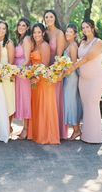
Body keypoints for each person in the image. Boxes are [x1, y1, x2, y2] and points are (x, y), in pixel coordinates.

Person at [65, 19, 102, 144]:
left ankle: (95, 137)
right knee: (86, 106)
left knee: (92, 104)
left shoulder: (98, 42)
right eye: (83, 28)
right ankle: (85, 135)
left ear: (93, 28)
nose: (85, 29)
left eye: (87, 27)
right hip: (83, 80)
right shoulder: (82, 42)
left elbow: (88, 57)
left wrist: (73, 67)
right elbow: (75, 54)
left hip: (96, 78)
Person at [28, 23, 60, 144]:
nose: (36, 34)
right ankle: (37, 134)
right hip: (35, 79)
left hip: (44, 81)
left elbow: (45, 65)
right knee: (37, 106)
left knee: (45, 107)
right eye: (34, 32)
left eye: (38, 32)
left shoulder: (45, 45)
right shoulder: (34, 46)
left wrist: (36, 77)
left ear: (43, 33)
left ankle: (47, 135)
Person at [44, 9, 68, 140]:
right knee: (46, 102)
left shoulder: (59, 33)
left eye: (51, 16)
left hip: (55, 72)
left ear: (55, 18)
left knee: (55, 100)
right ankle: (47, 129)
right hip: (43, 72)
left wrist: (53, 72)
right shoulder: (44, 33)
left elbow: (59, 55)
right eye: (46, 17)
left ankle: (57, 132)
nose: (48, 19)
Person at [0, 20, 15, 133]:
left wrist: (4, 73)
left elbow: (11, 63)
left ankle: (8, 128)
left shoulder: (9, 43)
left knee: (8, 102)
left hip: (6, 77)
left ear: (6, 31)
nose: (1, 30)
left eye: (3, 28)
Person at [63, 23, 82, 140]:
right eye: (67, 31)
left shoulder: (73, 46)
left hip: (71, 77)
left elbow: (74, 64)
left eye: (70, 32)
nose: (67, 33)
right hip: (68, 76)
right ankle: (76, 129)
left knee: (71, 102)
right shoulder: (69, 45)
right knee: (69, 101)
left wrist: (64, 73)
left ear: (75, 35)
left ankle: (76, 130)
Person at [14, 17, 32, 139]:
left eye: (23, 25)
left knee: (25, 100)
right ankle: (24, 128)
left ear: (27, 28)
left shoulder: (26, 39)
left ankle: (26, 129)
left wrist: (18, 70)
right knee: (21, 99)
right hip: (18, 74)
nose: (21, 27)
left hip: (23, 73)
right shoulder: (20, 39)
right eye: (19, 25)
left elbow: (27, 59)